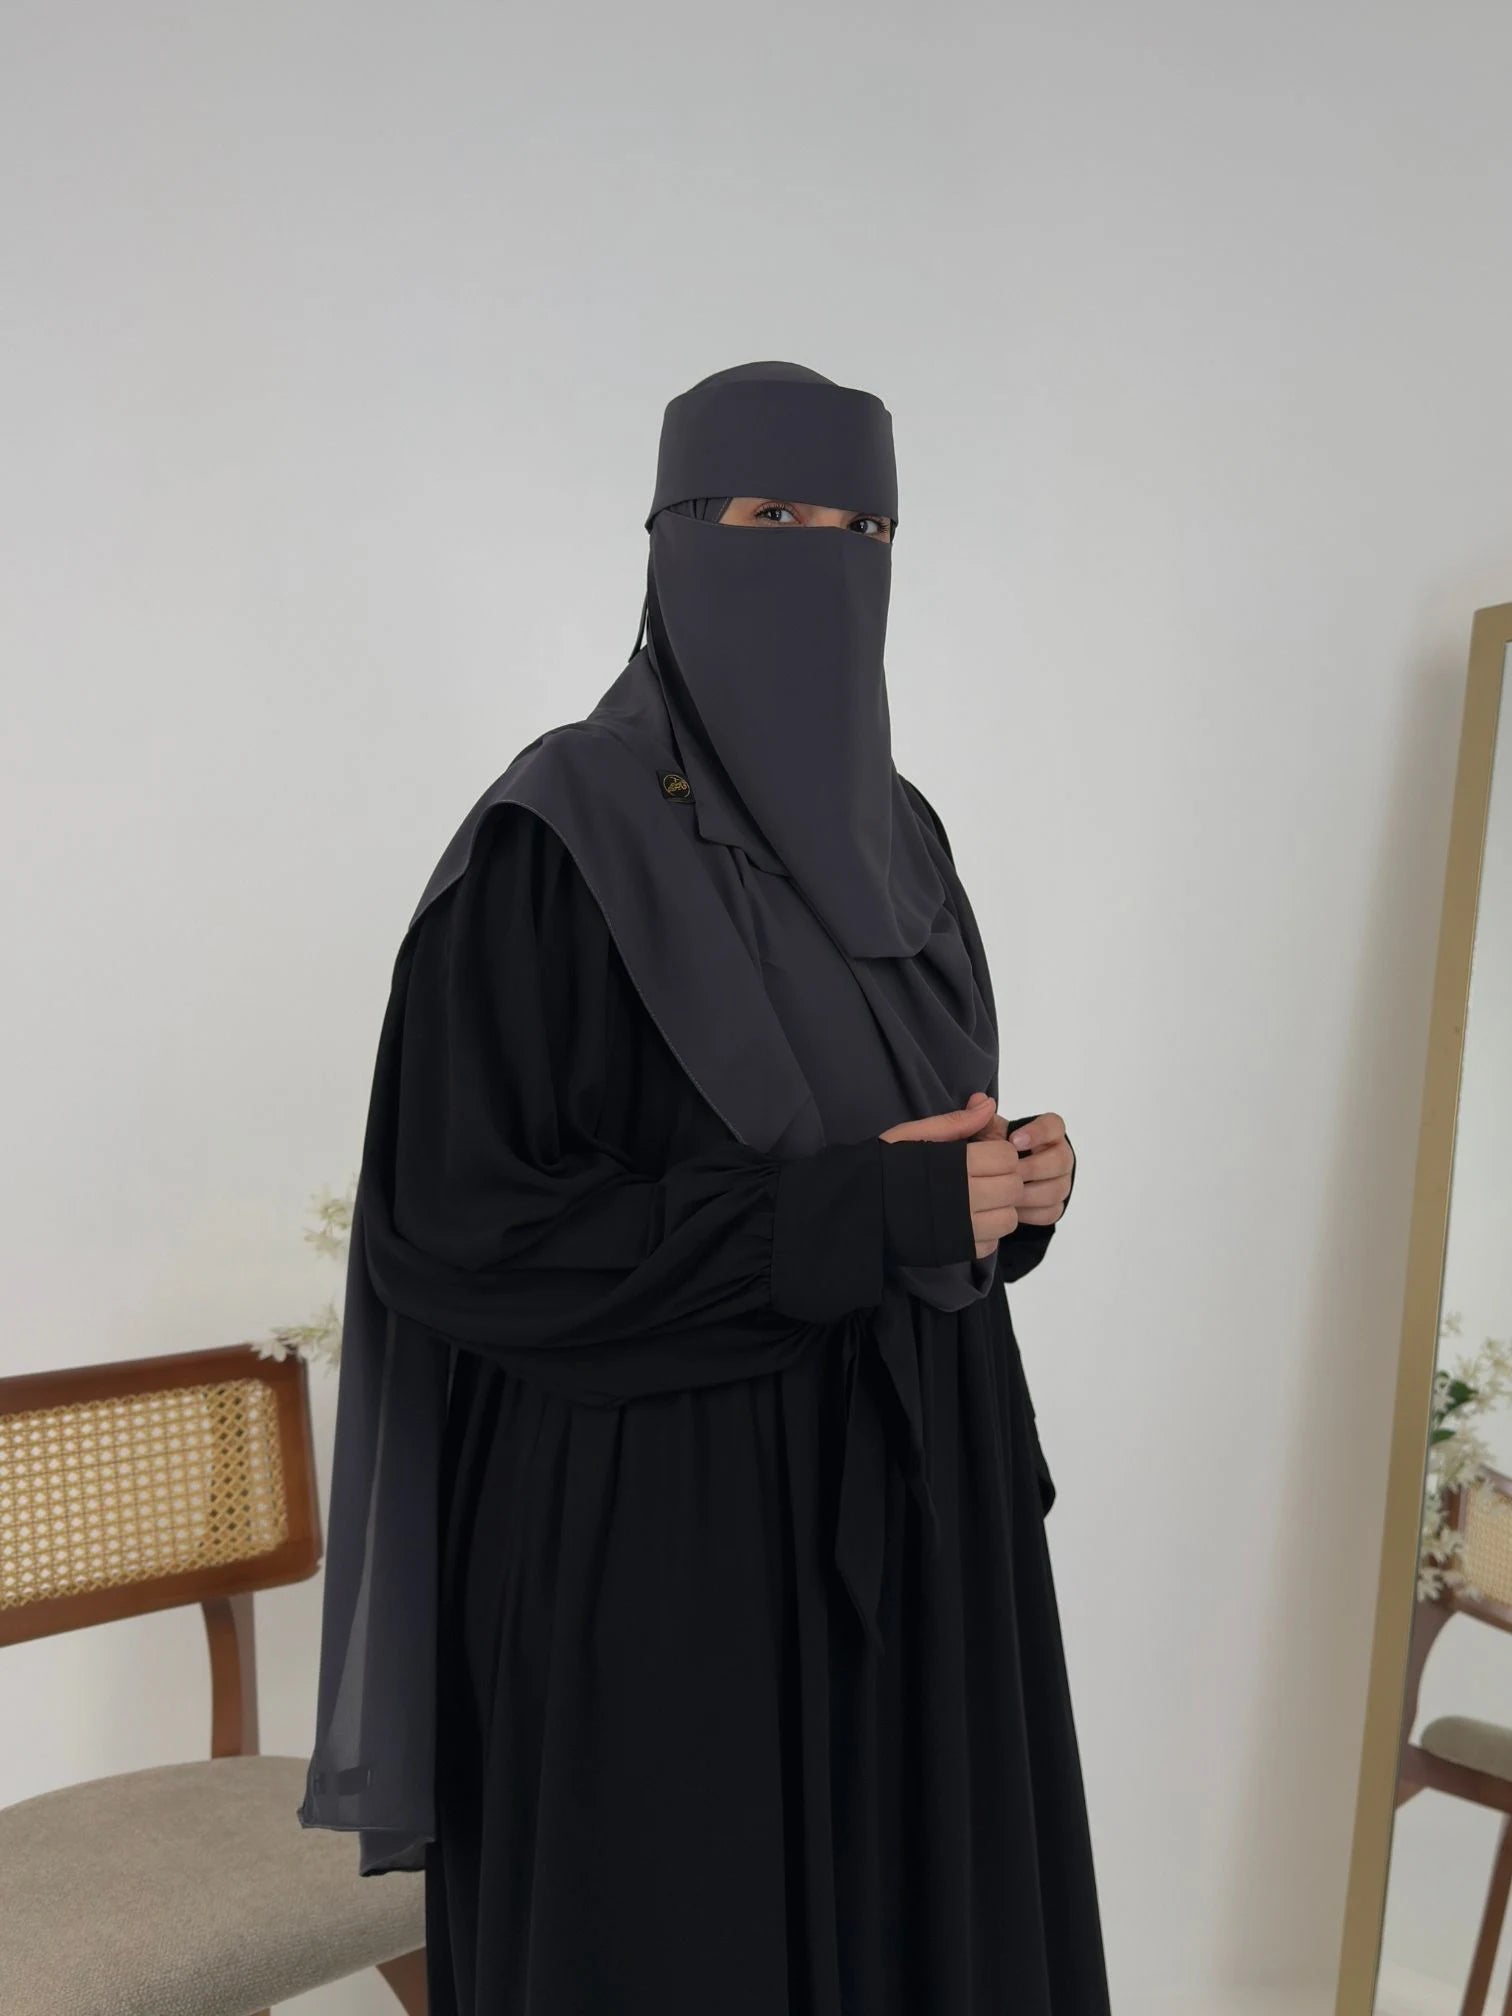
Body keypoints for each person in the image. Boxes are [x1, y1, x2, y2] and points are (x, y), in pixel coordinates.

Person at [298, 359, 1109, 2015]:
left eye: (862, 529)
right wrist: (860, 1219)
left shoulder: (906, 839)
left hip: (918, 1510)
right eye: (771, 516)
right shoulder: (555, 839)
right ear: (675, 539)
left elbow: (903, 1149)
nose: (823, 558)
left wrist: (1006, 1189)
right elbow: (458, 1235)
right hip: (665, 1543)